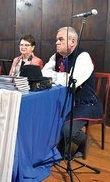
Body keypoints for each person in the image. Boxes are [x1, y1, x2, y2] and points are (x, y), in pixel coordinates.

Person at [42, 26, 103, 158]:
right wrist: (63, 75)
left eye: (61, 40)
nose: (56, 43)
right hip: (67, 101)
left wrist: (58, 76)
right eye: (56, 40)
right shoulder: (56, 56)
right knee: (49, 120)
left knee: (66, 129)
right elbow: (43, 73)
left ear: (72, 42)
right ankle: (60, 146)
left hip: (86, 103)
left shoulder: (83, 57)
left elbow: (70, 81)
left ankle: (84, 141)